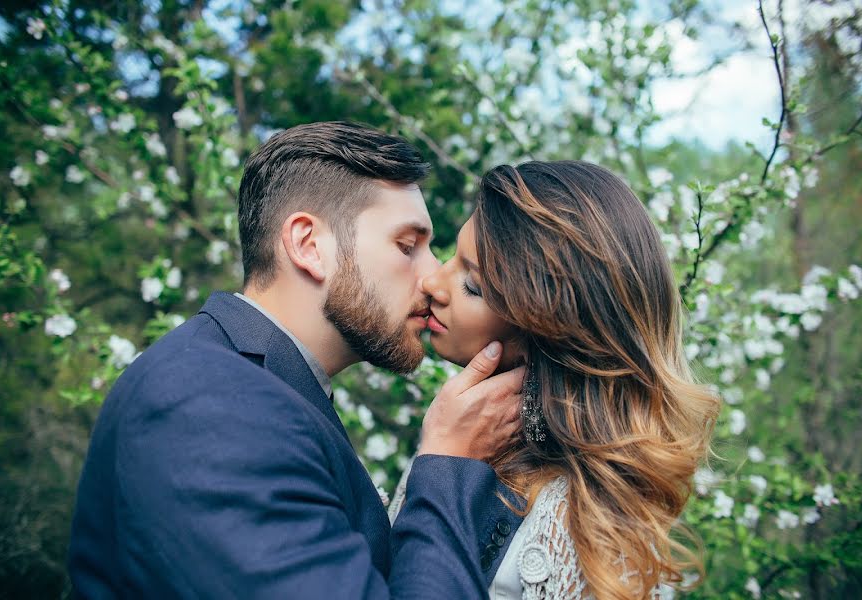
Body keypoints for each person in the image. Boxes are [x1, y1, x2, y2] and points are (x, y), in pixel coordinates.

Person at [68, 121, 526, 599]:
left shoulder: (252, 386)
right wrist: (447, 461)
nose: (434, 279)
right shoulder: (208, 404)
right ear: (309, 246)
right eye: (407, 246)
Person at [390, 160, 720, 599]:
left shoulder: (585, 530)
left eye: (473, 285)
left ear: (545, 329)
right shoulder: (457, 435)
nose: (433, 282)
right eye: (451, 258)